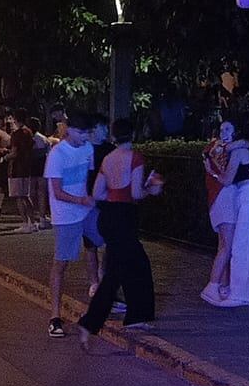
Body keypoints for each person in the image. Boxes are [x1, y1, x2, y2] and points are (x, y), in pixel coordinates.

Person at [76, 118, 161, 345]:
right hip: (125, 216)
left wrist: (116, 194)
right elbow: (135, 193)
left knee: (131, 265)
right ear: (132, 134)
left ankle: (133, 316)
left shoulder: (108, 158)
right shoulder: (135, 158)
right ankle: (91, 322)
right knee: (118, 272)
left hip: (109, 216)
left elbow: (98, 193)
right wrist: (151, 189)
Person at [43, 112, 102, 338]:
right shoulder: (57, 154)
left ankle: (98, 290)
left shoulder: (88, 149)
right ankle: (54, 316)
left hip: (86, 210)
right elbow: (57, 192)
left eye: (87, 132)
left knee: (101, 245)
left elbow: (87, 180)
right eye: (81, 132)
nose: (85, 137)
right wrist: (81, 200)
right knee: (62, 263)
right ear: (70, 130)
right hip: (66, 215)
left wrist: (90, 200)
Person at [214, 127, 249, 307]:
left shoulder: (238, 150)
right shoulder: (240, 149)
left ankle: (239, 295)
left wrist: (212, 172)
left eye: (229, 129)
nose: (224, 133)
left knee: (241, 247)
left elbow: (227, 179)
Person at [200, 120, 240, 304]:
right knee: (227, 246)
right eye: (222, 129)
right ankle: (213, 285)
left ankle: (223, 285)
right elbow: (226, 176)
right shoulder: (218, 149)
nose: (223, 132)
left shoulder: (217, 148)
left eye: (228, 129)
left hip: (222, 198)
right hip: (224, 197)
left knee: (223, 245)